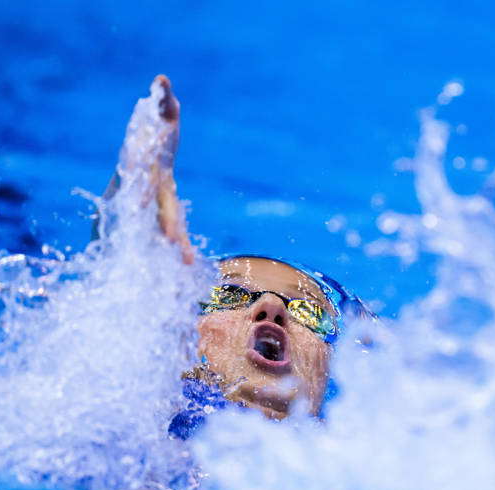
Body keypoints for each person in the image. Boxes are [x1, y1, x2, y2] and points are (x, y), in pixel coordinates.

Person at [107, 76, 372, 436]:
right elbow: (111, 274)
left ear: (331, 369)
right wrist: (140, 180)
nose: (271, 306)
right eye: (228, 295)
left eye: (308, 312)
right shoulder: (133, 421)